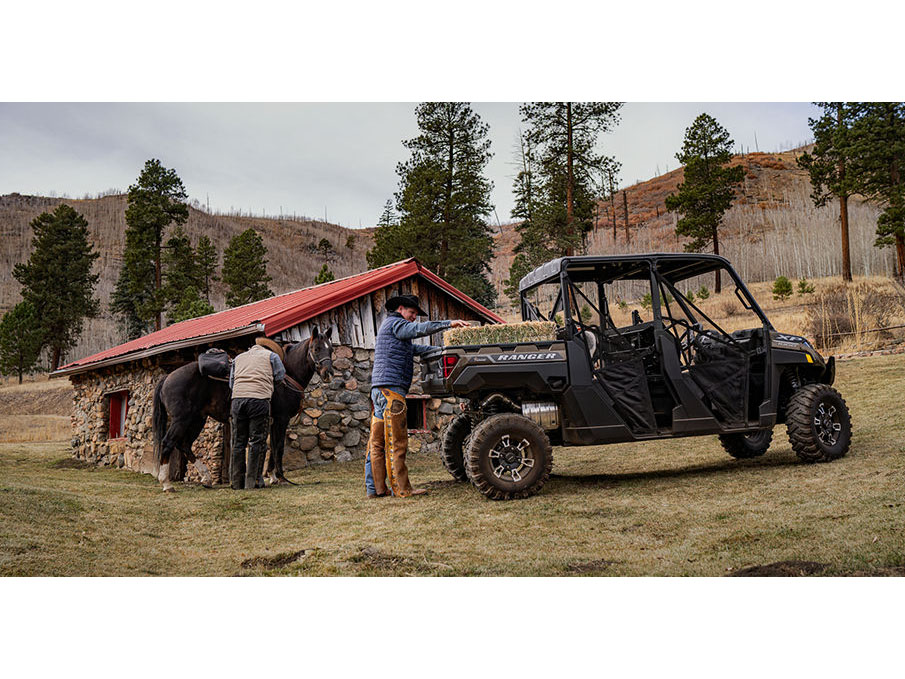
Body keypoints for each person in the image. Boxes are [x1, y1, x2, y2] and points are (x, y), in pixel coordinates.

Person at [366, 294, 468, 498]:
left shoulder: (392, 331)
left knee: (377, 443)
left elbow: (415, 348)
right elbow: (418, 330)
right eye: (412, 313)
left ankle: (375, 489)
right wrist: (448, 324)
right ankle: (402, 489)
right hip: (392, 392)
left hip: (379, 390)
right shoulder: (397, 324)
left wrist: (442, 350)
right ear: (401, 308)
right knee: (397, 441)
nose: (414, 317)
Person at [229, 337, 286, 490]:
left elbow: (231, 382)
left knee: (238, 442)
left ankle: (236, 482)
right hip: (259, 400)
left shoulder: (238, 358)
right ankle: (252, 482)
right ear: (269, 349)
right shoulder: (272, 356)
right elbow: (280, 376)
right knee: (257, 441)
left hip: (237, 400)